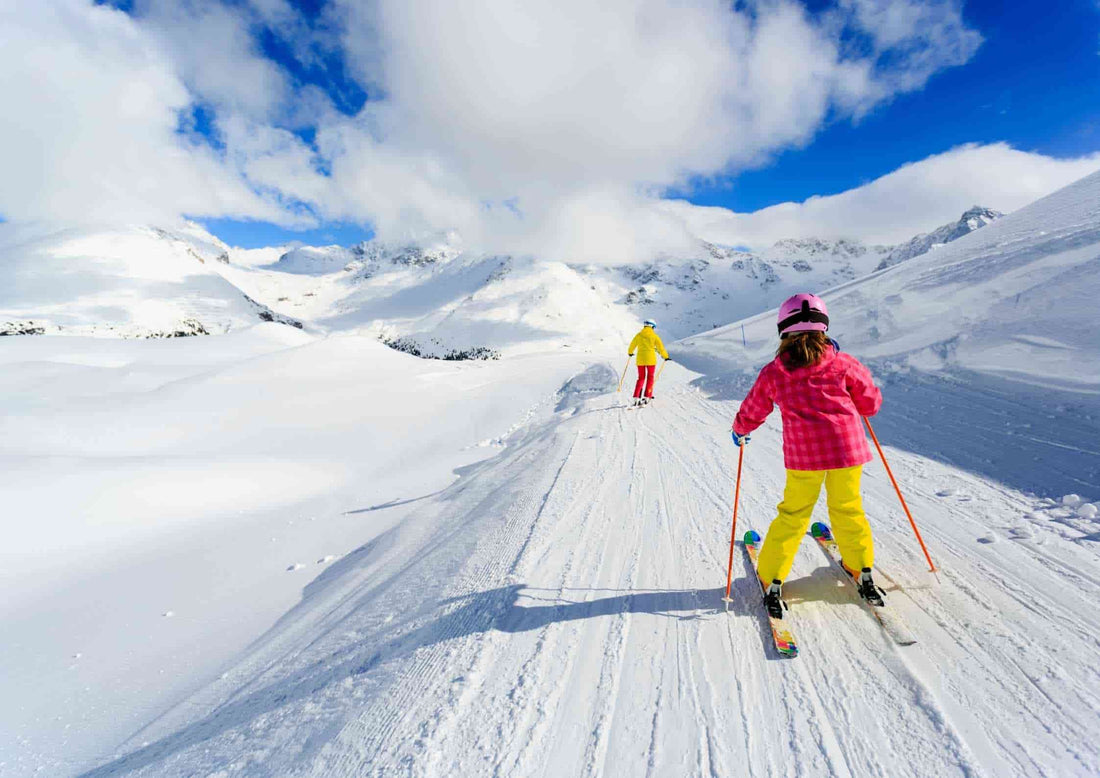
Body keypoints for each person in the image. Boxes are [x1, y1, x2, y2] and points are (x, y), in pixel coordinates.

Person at [730, 293, 883, 619]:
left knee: (794, 514)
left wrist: (742, 428)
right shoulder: (844, 363)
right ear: (823, 327)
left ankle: (772, 577)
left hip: (804, 458)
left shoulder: (775, 372)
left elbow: (755, 406)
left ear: (783, 330)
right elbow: (869, 404)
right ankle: (861, 568)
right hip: (848, 452)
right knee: (848, 507)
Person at [627, 319, 669, 406]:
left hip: (640, 360)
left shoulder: (639, 335)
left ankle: (636, 397)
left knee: (641, 378)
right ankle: (647, 396)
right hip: (651, 360)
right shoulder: (654, 336)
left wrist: (630, 352)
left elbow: (632, 345)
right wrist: (666, 357)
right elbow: (661, 348)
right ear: (652, 326)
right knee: (650, 377)